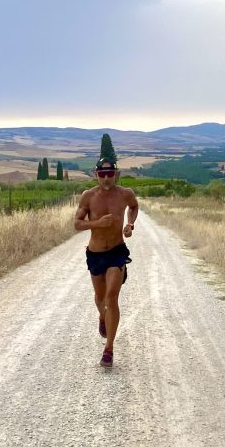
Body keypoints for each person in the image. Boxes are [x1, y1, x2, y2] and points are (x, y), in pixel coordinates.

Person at [74, 156, 139, 367]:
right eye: (102, 174)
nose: (106, 178)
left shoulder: (125, 194)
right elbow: (77, 224)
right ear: (96, 174)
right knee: (100, 297)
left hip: (116, 252)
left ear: (116, 174)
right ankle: (103, 316)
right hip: (95, 254)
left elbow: (134, 206)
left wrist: (130, 224)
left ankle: (109, 349)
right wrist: (98, 224)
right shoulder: (88, 196)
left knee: (112, 297)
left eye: (110, 173)